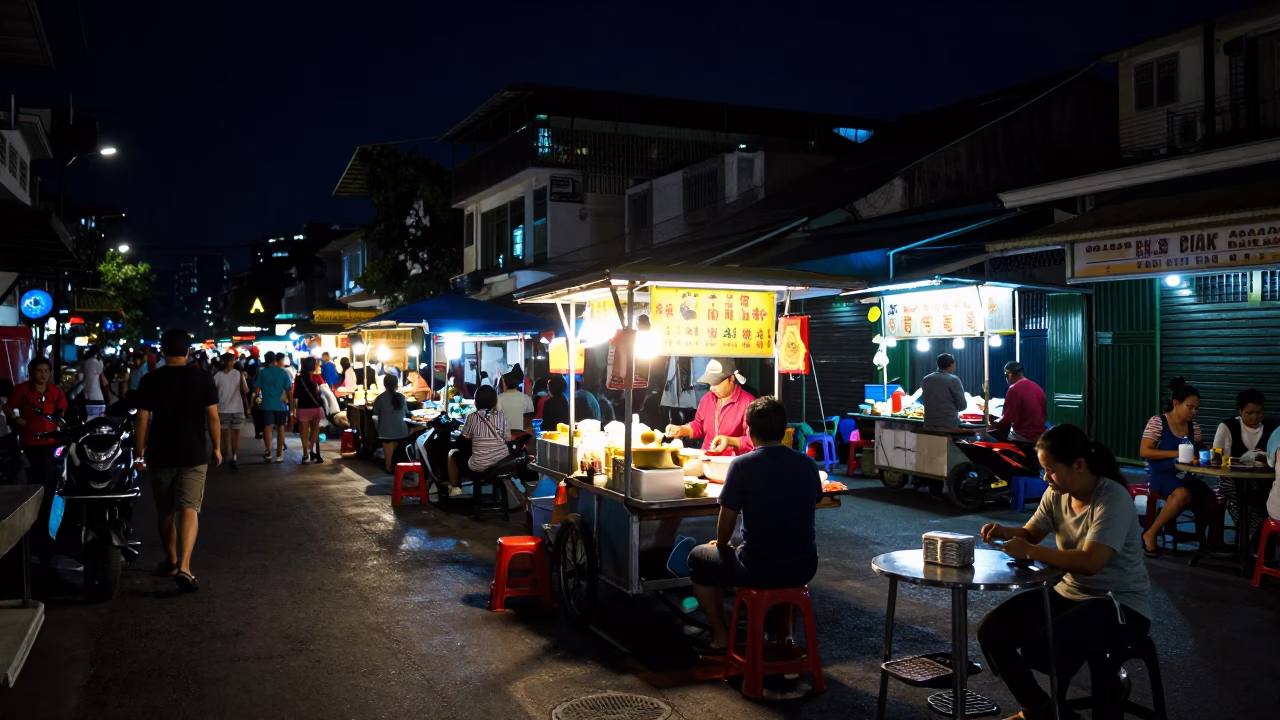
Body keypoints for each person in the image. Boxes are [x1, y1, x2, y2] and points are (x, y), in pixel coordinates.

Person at [977, 424, 1151, 720]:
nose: (1045, 477)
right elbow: (1032, 533)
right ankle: (1042, 710)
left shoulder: (1112, 498)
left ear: (1078, 465)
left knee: (1042, 650)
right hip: (1070, 593)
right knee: (993, 632)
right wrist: (1006, 531)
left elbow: (1091, 563)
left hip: (1120, 604)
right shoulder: (1056, 492)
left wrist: (1030, 551)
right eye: (1043, 470)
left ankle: (1108, 689)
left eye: (1050, 470)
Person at [687, 396, 821, 653]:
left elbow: (727, 519)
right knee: (777, 556)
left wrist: (722, 544)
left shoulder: (742, 465)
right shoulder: (807, 464)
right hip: (804, 565)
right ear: (784, 430)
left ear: (749, 431)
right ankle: (784, 637)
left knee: (698, 558)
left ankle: (720, 637)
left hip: (758, 566)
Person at [133, 329, 222, 593]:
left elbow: (142, 418)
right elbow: (213, 417)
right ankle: (185, 567)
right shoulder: (202, 377)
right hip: (193, 452)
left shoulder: (151, 379)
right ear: (188, 352)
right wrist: (217, 448)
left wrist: (139, 452)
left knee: (165, 511)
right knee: (189, 507)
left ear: (162, 351)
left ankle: (171, 561)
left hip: (161, 453)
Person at [1139, 377, 1215, 557]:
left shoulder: (1193, 426)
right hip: (1162, 475)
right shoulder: (1158, 422)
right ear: (1176, 403)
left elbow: (1200, 450)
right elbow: (1144, 451)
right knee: (1183, 494)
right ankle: (1150, 534)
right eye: (1190, 407)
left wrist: (1212, 452)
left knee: (1211, 500)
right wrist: (1176, 453)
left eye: (1197, 408)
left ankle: (1207, 541)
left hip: (1186, 476)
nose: (1194, 412)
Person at [4, 357, 67, 552]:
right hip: (31, 443)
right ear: (32, 372)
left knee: (52, 482)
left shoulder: (55, 391)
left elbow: (62, 409)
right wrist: (16, 418)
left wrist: (59, 420)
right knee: (39, 481)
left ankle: (47, 525)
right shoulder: (22, 390)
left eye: (46, 371)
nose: (43, 374)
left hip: (52, 443)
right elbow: (9, 407)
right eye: (39, 371)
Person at [1211, 389, 1278, 545]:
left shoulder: (1272, 428)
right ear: (1240, 411)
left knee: (1264, 497)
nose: (1255, 417)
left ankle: (1258, 541)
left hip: (1263, 482)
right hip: (1233, 480)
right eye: (1249, 413)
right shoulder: (1228, 427)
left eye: (1259, 412)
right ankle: (1251, 541)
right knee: (1240, 498)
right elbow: (1217, 459)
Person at [664, 358, 756, 454]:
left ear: (731, 378)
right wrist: (681, 430)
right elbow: (699, 424)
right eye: (710, 383)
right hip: (707, 456)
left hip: (732, 460)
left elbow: (753, 440)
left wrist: (729, 441)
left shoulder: (748, 403)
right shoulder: (707, 398)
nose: (712, 388)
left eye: (716, 383)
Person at [447, 385, 508, 498]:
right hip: (501, 463)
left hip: (479, 465)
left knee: (454, 454)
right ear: (494, 401)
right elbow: (507, 438)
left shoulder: (471, 417)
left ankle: (456, 488)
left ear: (476, 401)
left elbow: (463, 439)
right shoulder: (501, 416)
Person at [992, 361, 1047, 443]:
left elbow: (1007, 418)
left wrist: (994, 426)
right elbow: (1044, 415)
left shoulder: (1013, 389)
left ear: (1009, 375)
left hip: (1024, 437)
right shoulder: (1038, 388)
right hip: (1041, 436)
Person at [213, 352, 249, 471]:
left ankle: (225, 455)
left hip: (222, 409)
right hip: (237, 409)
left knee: (224, 435)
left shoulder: (217, 375)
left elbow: (213, 394)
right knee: (236, 434)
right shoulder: (239, 374)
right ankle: (234, 456)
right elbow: (246, 390)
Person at [255, 351, 293, 463]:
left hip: (267, 404)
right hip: (281, 405)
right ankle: (279, 455)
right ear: (275, 360)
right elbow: (289, 389)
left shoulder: (263, 373)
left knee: (268, 428)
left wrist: (258, 399)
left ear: (266, 361)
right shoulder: (283, 372)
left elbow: (257, 389)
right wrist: (292, 408)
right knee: (281, 428)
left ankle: (268, 452)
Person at [371, 374, 412, 473]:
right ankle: (395, 466)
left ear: (384, 384)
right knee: (395, 445)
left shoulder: (380, 398)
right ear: (396, 384)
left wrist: (378, 428)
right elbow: (406, 412)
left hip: (386, 430)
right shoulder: (401, 397)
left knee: (388, 444)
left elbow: (375, 416)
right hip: (402, 430)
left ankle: (388, 467)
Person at [291, 356, 326, 465]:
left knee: (304, 432)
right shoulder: (317, 378)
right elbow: (324, 391)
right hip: (315, 407)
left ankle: (305, 454)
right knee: (315, 429)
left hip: (303, 408)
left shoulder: (299, 378)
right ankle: (312, 449)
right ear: (313, 366)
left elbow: (295, 394)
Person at [921, 353, 966, 428]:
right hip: (949, 423)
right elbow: (963, 405)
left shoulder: (926, 379)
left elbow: (924, 400)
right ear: (952, 365)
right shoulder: (953, 379)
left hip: (929, 422)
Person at [496, 366, 535, 434]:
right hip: (522, 435)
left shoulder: (498, 398)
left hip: (504, 435)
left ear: (504, 382)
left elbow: (496, 420)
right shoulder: (527, 398)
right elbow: (529, 422)